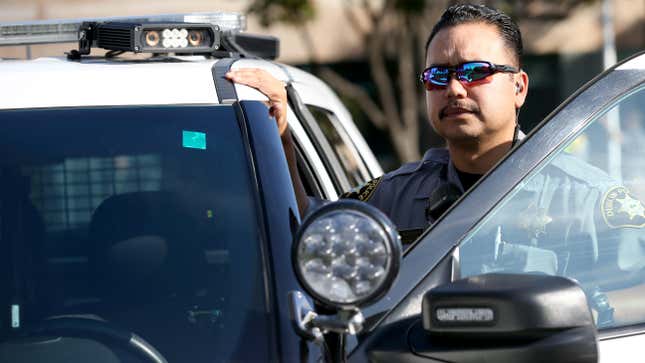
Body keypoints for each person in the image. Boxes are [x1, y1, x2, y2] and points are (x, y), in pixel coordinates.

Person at [226, 4, 529, 238]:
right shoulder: (394, 196)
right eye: (437, 76)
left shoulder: (571, 195)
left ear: (519, 87)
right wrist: (281, 135)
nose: (453, 88)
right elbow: (314, 231)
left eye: (474, 71)